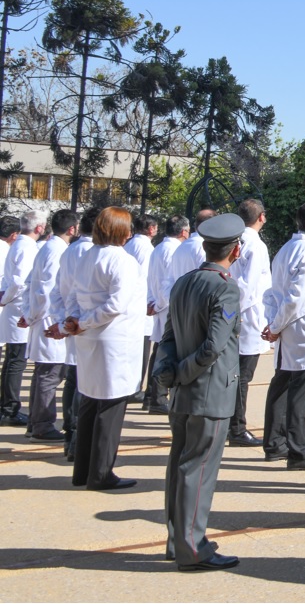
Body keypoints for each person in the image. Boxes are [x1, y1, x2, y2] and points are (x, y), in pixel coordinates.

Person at [153, 212, 245, 572]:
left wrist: (169, 373)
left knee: (180, 467)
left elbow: (168, 338)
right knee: (198, 470)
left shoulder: (183, 283)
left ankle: (178, 539)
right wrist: (183, 374)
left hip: (184, 393)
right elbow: (213, 347)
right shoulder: (225, 287)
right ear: (235, 251)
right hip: (209, 392)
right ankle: (192, 547)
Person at [65, 206, 144, 491]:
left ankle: (83, 470)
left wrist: (73, 321)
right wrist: (82, 322)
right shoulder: (122, 260)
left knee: (90, 401)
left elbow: (73, 294)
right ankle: (100, 473)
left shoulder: (88, 255)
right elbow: (115, 305)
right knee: (110, 405)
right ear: (122, 231)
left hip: (90, 338)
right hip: (112, 339)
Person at [261, 202, 305, 470]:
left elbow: (273, 292)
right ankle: (298, 451)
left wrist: (273, 323)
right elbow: (299, 298)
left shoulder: (286, 249)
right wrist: (276, 325)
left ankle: (275, 443)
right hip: (301, 327)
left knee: (283, 384)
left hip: (286, 325)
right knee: (302, 390)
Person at [23, 209, 77, 442]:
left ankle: (35, 421)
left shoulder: (48, 247)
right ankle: (42, 424)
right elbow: (48, 290)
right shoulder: (57, 251)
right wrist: (56, 321)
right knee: (50, 374)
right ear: (72, 229)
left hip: (43, 317)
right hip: (50, 319)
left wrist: (30, 314)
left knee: (44, 373)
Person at [52, 209, 98, 460]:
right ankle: (77, 439)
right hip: (84, 323)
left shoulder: (70, 250)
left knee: (73, 380)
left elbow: (59, 289)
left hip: (73, 319)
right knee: (84, 383)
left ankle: (71, 435)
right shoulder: (89, 252)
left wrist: (63, 320)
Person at [228, 199, 271, 448]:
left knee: (236, 374)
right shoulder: (255, 245)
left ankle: (230, 425)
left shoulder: (236, 240)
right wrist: (235, 312)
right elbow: (248, 286)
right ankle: (237, 428)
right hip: (248, 316)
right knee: (242, 375)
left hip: (237, 313)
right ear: (261, 217)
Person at [145, 216, 189, 415]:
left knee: (159, 351)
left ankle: (152, 395)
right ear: (183, 232)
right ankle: (158, 397)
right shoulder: (173, 250)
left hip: (159, 304)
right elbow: (168, 283)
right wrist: (160, 303)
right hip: (166, 306)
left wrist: (152, 302)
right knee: (166, 354)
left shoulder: (159, 248)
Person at [0, 213, 36, 427]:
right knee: (16, 361)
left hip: (13, 306)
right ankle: (10, 408)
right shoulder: (24, 247)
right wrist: (6, 298)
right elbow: (19, 282)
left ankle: (6, 405)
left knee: (12, 360)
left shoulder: (17, 246)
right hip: (17, 307)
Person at [122, 214, 156, 405]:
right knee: (141, 350)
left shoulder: (130, 244)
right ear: (151, 229)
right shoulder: (145, 247)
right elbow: (145, 277)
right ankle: (134, 389)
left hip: (131, 305)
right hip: (140, 305)